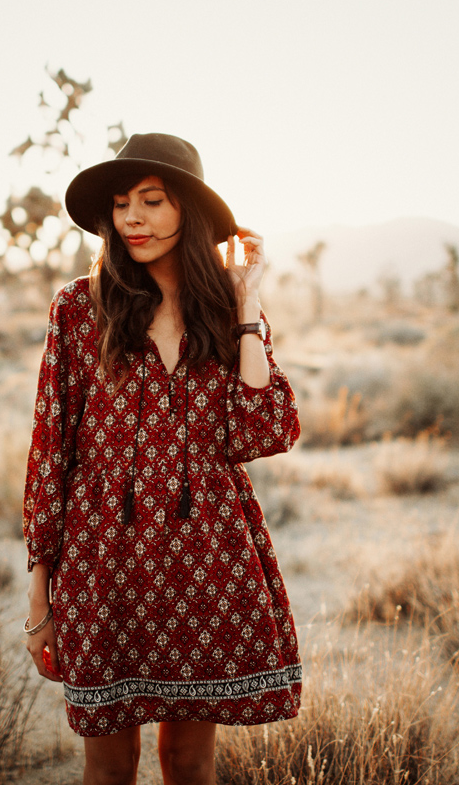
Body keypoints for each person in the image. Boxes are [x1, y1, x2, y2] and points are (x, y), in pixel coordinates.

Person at [22, 133, 302, 785]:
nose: (133, 219)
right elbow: (49, 452)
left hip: (206, 552)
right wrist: (42, 596)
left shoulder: (223, 309)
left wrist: (248, 302)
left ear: (190, 211)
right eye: (122, 205)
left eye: (152, 201)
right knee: (110, 761)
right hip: (104, 560)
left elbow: (264, 430)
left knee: (189, 760)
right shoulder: (77, 308)